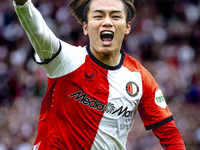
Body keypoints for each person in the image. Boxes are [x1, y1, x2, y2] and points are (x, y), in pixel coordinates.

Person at [13, 0, 186, 149]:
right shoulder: (66, 60)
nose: (107, 22)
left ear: (127, 27)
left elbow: (169, 133)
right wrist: (23, 4)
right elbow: (39, 32)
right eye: (98, 16)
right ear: (85, 27)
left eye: (115, 16)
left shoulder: (140, 78)